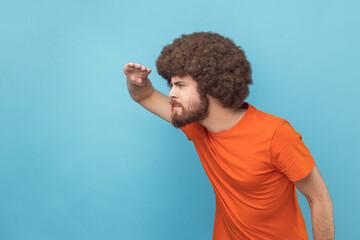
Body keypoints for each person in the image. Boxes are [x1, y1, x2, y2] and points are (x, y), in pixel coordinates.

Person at [123, 32, 334, 240]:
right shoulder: (195, 123)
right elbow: (146, 95)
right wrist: (136, 81)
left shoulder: (275, 134)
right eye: (172, 85)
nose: (171, 93)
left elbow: (319, 198)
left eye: (180, 85)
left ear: (210, 88)